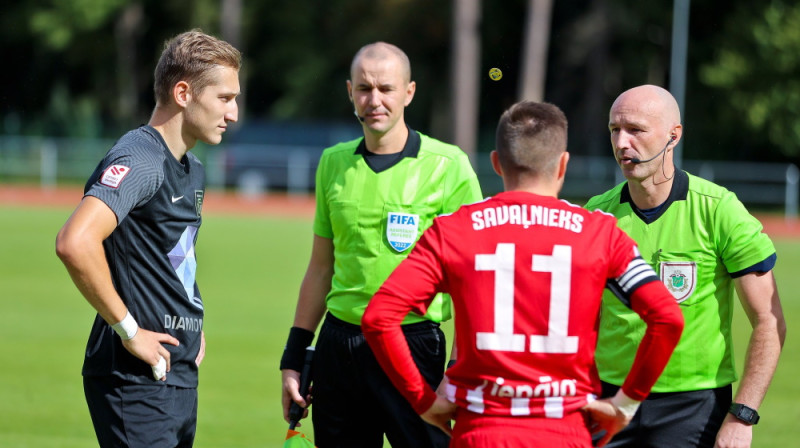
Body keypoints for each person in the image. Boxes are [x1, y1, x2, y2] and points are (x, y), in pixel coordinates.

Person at [361, 100, 685, 448]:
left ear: (497, 163)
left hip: (480, 432)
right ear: (562, 165)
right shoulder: (601, 233)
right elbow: (668, 318)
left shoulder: (452, 230)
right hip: (565, 433)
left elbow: (379, 318)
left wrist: (422, 401)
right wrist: (626, 403)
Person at [279, 42, 483, 447]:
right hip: (339, 347)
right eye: (364, 89)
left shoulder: (449, 166)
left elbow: (472, 279)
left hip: (414, 344)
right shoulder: (333, 163)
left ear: (408, 92)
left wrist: (458, 368)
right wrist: (293, 357)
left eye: (386, 89)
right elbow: (321, 267)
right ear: (350, 92)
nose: (375, 100)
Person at [55, 29, 240, 447]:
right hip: (134, 378)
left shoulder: (193, 168)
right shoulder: (141, 157)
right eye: (224, 98)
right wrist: (130, 329)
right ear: (183, 93)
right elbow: (74, 241)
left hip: (176, 373)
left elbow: (170, 256)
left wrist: (188, 316)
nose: (233, 113)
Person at [585, 84, 787, 448]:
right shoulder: (596, 215)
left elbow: (768, 320)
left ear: (673, 136)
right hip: (609, 400)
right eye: (615, 130)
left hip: (694, 407)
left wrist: (742, 415)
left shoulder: (718, 209)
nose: (621, 143)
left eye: (636, 130)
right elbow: (583, 320)